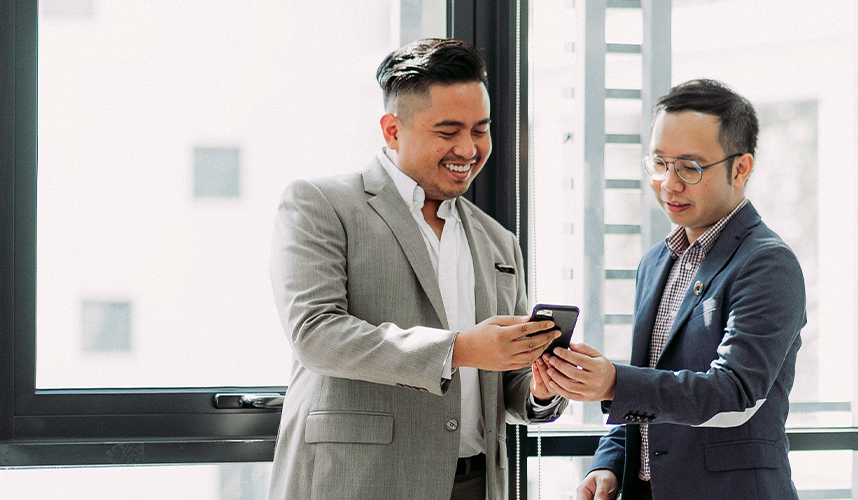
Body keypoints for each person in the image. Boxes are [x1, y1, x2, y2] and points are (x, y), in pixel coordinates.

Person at [268, 38, 568, 500]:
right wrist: (460, 349)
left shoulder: (498, 240)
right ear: (392, 130)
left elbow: (508, 386)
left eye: (480, 129)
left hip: (476, 482)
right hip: (359, 482)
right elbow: (316, 334)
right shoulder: (321, 204)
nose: (468, 149)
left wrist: (544, 388)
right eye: (448, 131)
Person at [539, 79, 806, 500]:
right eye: (659, 163)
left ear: (741, 168)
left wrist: (613, 383)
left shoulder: (768, 263)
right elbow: (653, 382)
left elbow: (733, 392)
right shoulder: (656, 261)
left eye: (689, 167)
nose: (669, 183)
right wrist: (611, 463)